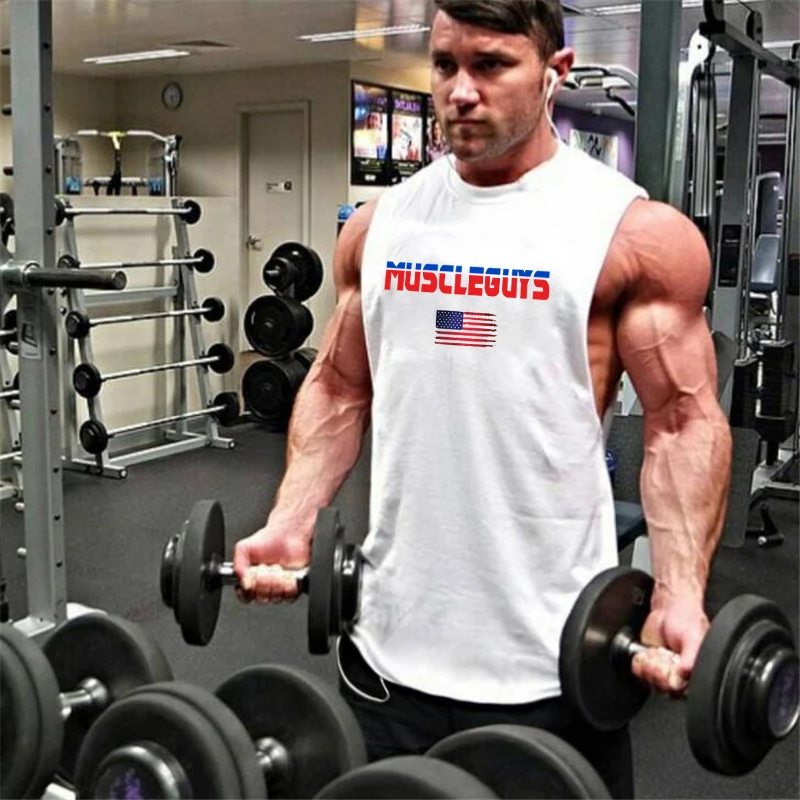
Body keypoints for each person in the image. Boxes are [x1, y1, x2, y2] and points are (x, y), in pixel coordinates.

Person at [233, 1, 733, 796]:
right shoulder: (378, 227)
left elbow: (681, 423)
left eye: (492, 65)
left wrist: (677, 590)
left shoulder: (630, 233)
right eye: (445, 65)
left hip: (554, 662)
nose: (461, 90)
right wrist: (292, 518)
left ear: (554, 73)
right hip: (387, 651)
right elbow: (337, 383)